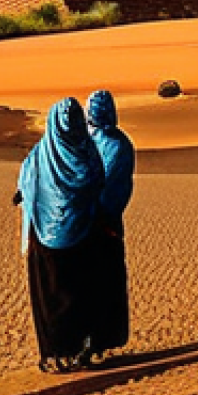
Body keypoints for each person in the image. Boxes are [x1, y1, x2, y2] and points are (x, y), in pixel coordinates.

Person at [16, 97, 105, 372]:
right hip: (82, 232)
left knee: (48, 296)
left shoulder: (39, 154)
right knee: (79, 293)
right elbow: (97, 183)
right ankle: (74, 351)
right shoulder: (88, 152)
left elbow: (26, 184)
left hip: (44, 235)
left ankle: (54, 354)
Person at [86, 89, 135, 356]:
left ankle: (102, 340)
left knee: (105, 282)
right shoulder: (92, 140)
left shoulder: (117, 146)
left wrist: (100, 216)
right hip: (91, 222)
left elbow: (116, 187)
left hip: (104, 224)